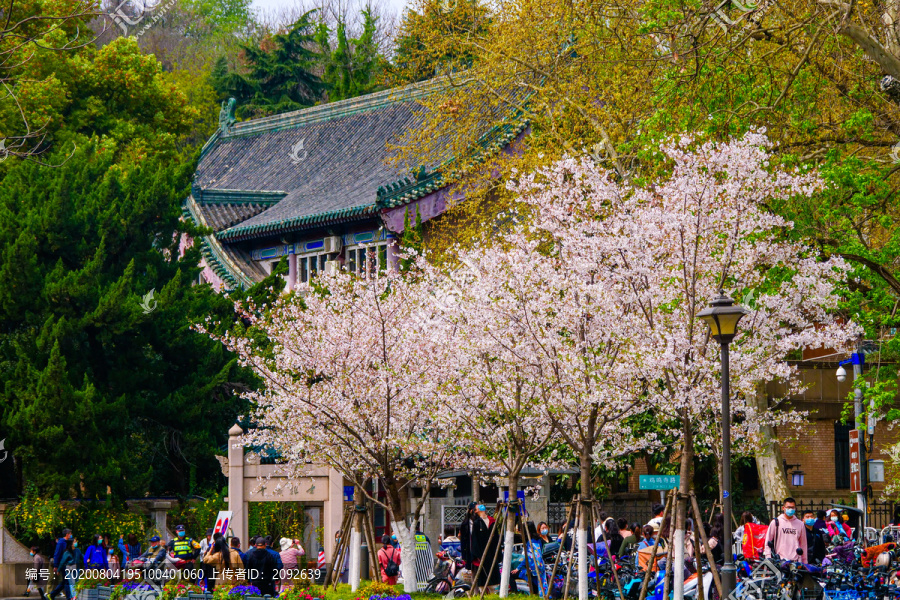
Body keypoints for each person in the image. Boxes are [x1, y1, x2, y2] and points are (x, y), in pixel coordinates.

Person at [763, 497, 808, 562]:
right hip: (780, 561)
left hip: (795, 561)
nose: (791, 509)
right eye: (788, 507)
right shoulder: (776, 522)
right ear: (783, 508)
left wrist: (805, 562)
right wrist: (768, 558)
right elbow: (768, 541)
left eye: (792, 507)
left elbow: (803, 545)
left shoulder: (800, 524)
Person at [511, 522, 547, 597]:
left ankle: (516, 594)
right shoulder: (538, 540)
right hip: (540, 567)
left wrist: (519, 568)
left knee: (511, 575)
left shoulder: (530, 542)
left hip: (534, 569)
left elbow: (530, 557)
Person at [471, 503, 500, 589]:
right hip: (482, 552)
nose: (481, 506)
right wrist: (478, 555)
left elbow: (497, 537)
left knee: (493, 572)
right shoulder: (477, 523)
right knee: (483, 574)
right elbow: (475, 540)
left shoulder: (492, 521)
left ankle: (494, 591)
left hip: (492, 551)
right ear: (476, 511)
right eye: (478, 507)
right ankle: (482, 591)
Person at [46, 529, 72, 600]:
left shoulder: (67, 542)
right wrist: (56, 566)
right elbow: (57, 554)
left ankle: (52, 595)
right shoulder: (61, 543)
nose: (70, 535)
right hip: (63, 564)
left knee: (65, 581)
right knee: (66, 581)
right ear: (67, 534)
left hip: (67, 564)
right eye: (70, 534)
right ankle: (68, 597)